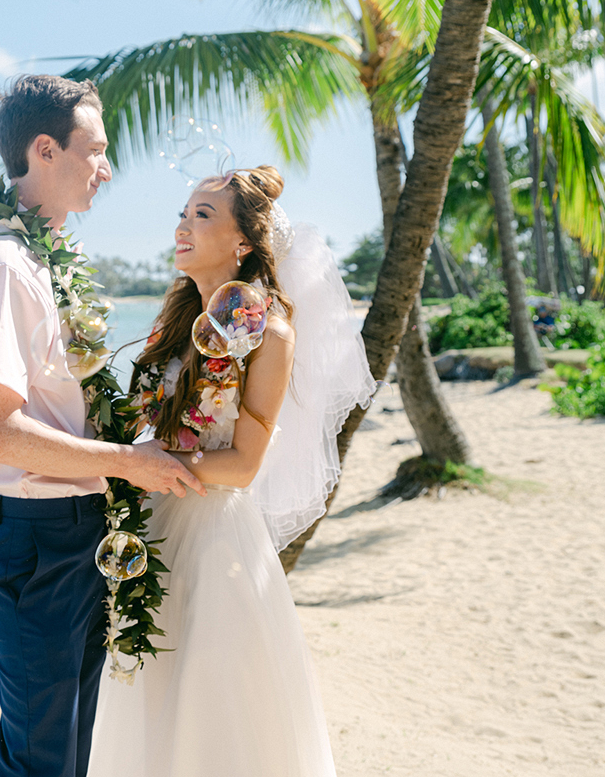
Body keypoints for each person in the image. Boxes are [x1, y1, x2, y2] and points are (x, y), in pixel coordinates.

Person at [0, 74, 204, 777]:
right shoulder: (2, 267)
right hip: (35, 538)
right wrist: (127, 461)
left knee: (69, 751)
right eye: (96, 150)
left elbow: (58, 402)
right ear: (46, 150)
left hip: (73, 528)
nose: (107, 169)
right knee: (43, 761)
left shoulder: (42, 259)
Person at [88, 167, 376, 777]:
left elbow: (244, 465)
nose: (181, 226)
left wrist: (152, 466)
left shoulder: (268, 331)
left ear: (244, 241)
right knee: (149, 703)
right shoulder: (174, 323)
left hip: (213, 540)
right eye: (183, 212)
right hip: (152, 523)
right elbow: (146, 421)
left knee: (213, 715)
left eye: (202, 215)